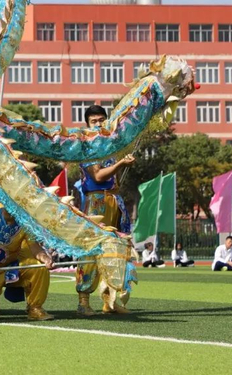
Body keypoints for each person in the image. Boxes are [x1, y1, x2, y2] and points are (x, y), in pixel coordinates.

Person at [75, 105, 135, 316]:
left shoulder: (109, 147)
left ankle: (110, 300)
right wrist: (121, 163)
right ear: (87, 124)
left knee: (115, 250)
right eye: (94, 121)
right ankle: (83, 301)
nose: (99, 124)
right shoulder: (87, 148)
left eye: (102, 120)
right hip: (96, 203)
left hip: (114, 200)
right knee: (91, 251)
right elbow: (98, 176)